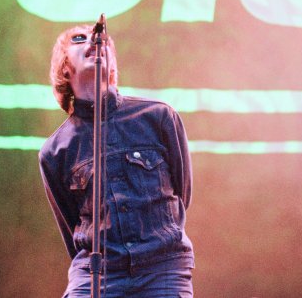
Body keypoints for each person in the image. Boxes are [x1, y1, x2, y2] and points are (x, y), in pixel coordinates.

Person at [39, 24, 194, 297]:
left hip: (161, 267)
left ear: (110, 62)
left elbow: (183, 194)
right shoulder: (55, 150)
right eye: (79, 39)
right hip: (97, 273)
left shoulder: (158, 116)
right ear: (64, 67)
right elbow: (70, 226)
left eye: (101, 39)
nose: (92, 41)